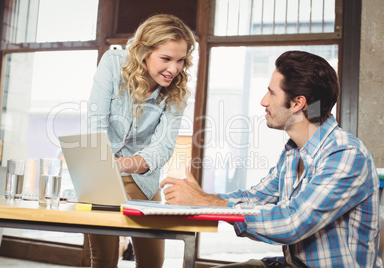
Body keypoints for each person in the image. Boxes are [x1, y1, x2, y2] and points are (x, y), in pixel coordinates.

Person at [161, 51, 382, 267]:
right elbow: (255, 198)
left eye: (271, 93)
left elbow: (292, 222)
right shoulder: (293, 153)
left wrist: (206, 203)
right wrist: (201, 197)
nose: (263, 101)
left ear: (297, 103)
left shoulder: (345, 154)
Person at [87, 14, 196, 268]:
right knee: (103, 259)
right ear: (142, 51)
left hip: (142, 178)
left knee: (152, 262)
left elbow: (164, 146)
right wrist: (103, 167)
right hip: (101, 176)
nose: (174, 69)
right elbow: (95, 123)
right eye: (166, 59)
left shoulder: (177, 90)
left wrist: (123, 164)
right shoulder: (113, 63)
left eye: (181, 60)